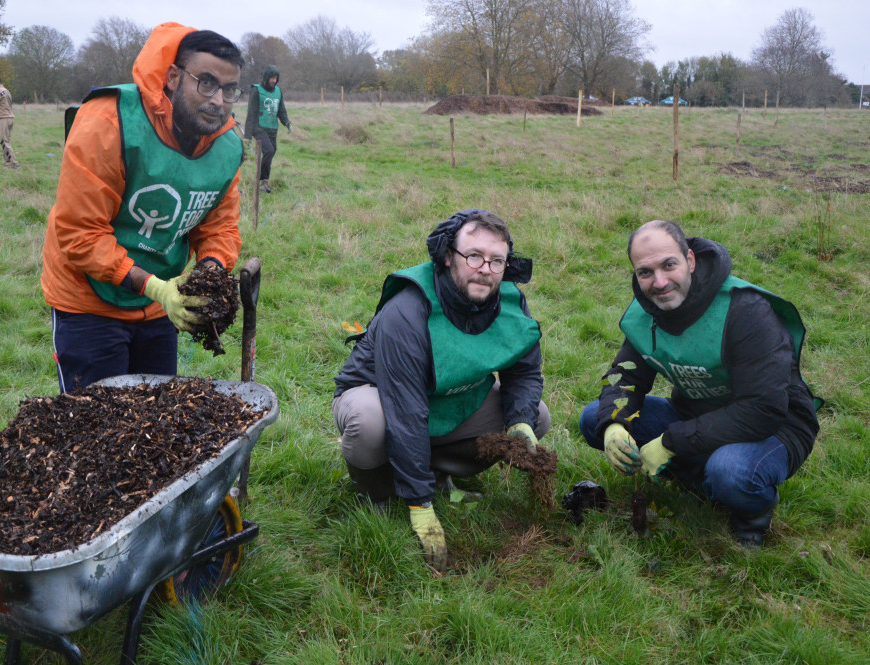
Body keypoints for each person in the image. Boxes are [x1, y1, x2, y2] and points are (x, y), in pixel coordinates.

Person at [333, 209, 551, 572]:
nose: (485, 269)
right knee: (368, 421)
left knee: (535, 415)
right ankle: (377, 492)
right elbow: (405, 411)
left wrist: (521, 423)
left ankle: (438, 475)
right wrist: (419, 505)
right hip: (382, 396)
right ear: (448, 255)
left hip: (448, 398)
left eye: (497, 261)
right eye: (474, 256)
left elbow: (524, 373)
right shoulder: (408, 309)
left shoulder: (510, 302)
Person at [579, 220, 819, 548]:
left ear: (690, 260)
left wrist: (671, 442)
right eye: (645, 272)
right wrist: (614, 425)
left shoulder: (745, 311)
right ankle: (695, 480)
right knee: (595, 418)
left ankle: (751, 513)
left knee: (729, 472)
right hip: (694, 416)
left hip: (776, 427)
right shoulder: (646, 314)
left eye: (669, 265)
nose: (659, 282)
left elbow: (763, 409)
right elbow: (625, 376)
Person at [40, 23, 245, 392]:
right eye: (207, 83)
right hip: (88, 300)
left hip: (158, 306)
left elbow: (219, 228)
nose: (219, 100)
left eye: (230, 90)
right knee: (96, 429)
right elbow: (80, 232)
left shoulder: (226, 146)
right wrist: (157, 288)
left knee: (155, 420)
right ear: (172, 77)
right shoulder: (108, 121)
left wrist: (207, 276)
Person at [243, 64, 290, 193]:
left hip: (272, 128)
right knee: (268, 151)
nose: (274, 80)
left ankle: (264, 182)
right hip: (259, 128)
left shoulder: (278, 92)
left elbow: (281, 110)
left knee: (272, 151)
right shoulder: (256, 90)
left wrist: (286, 122)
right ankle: (261, 182)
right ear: (266, 78)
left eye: (276, 78)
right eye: (272, 78)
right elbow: (251, 113)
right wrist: (247, 135)